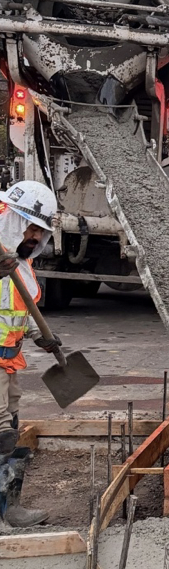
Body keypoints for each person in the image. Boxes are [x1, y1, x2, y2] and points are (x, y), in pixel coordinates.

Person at [0, 180, 59, 527]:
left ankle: (9, 509)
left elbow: (21, 309)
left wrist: (42, 336)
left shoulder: (20, 264)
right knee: (2, 436)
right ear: (15, 221)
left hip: (8, 363)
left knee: (12, 432)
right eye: (30, 227)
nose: (34, 237)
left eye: (40, 231)